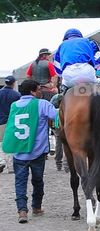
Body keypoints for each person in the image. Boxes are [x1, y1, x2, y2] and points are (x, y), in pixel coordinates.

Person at [2, 80, 58, 223]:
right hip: (37, 151)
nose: (41, 92)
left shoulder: (14, 105)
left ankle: (22, 211)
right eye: (39, 89)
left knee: (20, 182)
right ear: (33, 92)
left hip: (18, 151)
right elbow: (56, 117)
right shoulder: (42, 104)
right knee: (37, 181)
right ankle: (36, 207)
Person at [0, 75, 21, 174]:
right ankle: (11, 166)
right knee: (12, 144)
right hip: (13, 121)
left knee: (1, 143)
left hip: (1, 121)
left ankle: (1, 161)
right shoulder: (16, 95)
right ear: (13, 83)